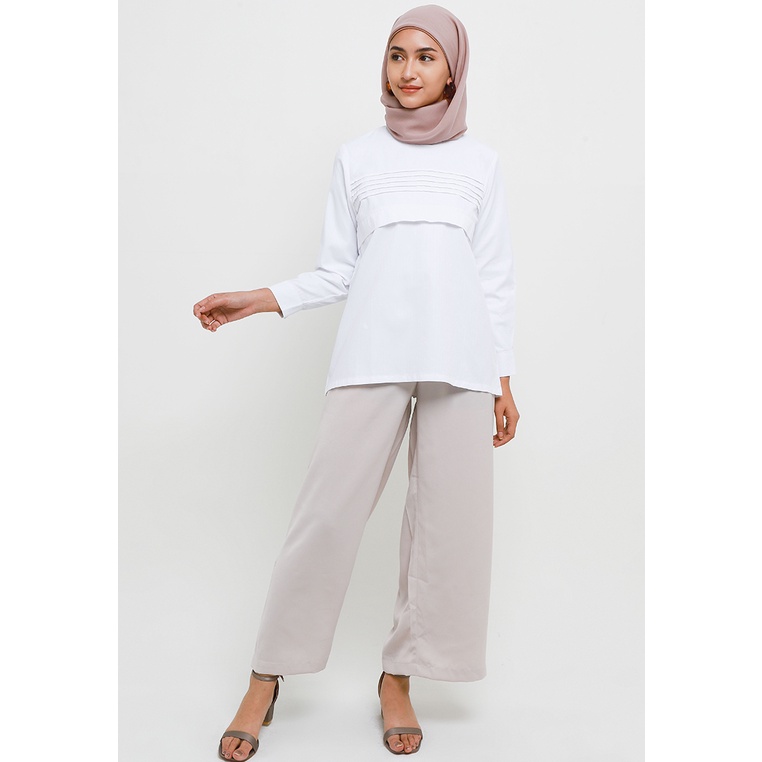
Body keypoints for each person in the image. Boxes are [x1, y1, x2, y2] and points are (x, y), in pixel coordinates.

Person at [193, 4, 519, 758]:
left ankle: (399, 677)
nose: (408, 70)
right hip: (371, 354)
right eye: (397, 54)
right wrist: (262, 298)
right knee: (326, 518)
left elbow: (494, 279)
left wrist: (503, 376)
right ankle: (265, 677)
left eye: (426, 57)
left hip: (462, 363)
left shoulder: (481, 164)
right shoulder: (358, 158)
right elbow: (339, 269)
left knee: (448, 531)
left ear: (454, 71)